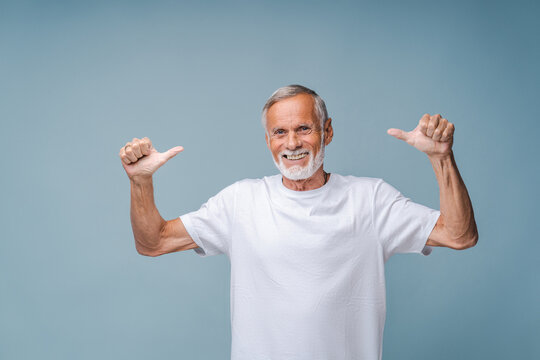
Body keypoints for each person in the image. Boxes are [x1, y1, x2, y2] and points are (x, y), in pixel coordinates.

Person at [118, 84, 478, 360]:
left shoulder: (371, 200)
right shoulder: (241, 201)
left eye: (304, 128)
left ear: (327, 131)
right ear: (268, 139)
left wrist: (441, 159)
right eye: (279, 132)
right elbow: (154, 242)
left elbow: (459, 235)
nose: (292, 143)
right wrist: (140, 181)